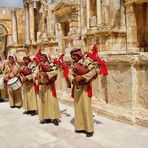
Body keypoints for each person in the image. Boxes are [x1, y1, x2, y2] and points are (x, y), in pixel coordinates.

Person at [68, 47, 97, 137]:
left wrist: (83, 77)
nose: (73, 57)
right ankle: (80, 127)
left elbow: (93, 72)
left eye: (74, 55)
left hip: (85, 88)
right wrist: (73, 79)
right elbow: (69, 73)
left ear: (78, 54)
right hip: (77, 88)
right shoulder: (73, 64)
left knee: (86, 107)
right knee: (78, 107)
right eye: (71, 56)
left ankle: (89, 129)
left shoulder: (86, 61)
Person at [34, 51, 61, 125]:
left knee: (52, 102)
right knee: (43, 103)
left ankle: (55, 117)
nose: (40, 59)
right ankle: (46, 117)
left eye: (42, 57)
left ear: (46, 58)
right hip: (41, 86)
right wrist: (36, 76)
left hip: (49, 86)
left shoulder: (51, 65)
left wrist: (46, 74)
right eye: (40, 58)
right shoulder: (39, 66)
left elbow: (55, 72)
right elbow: (34, 74)